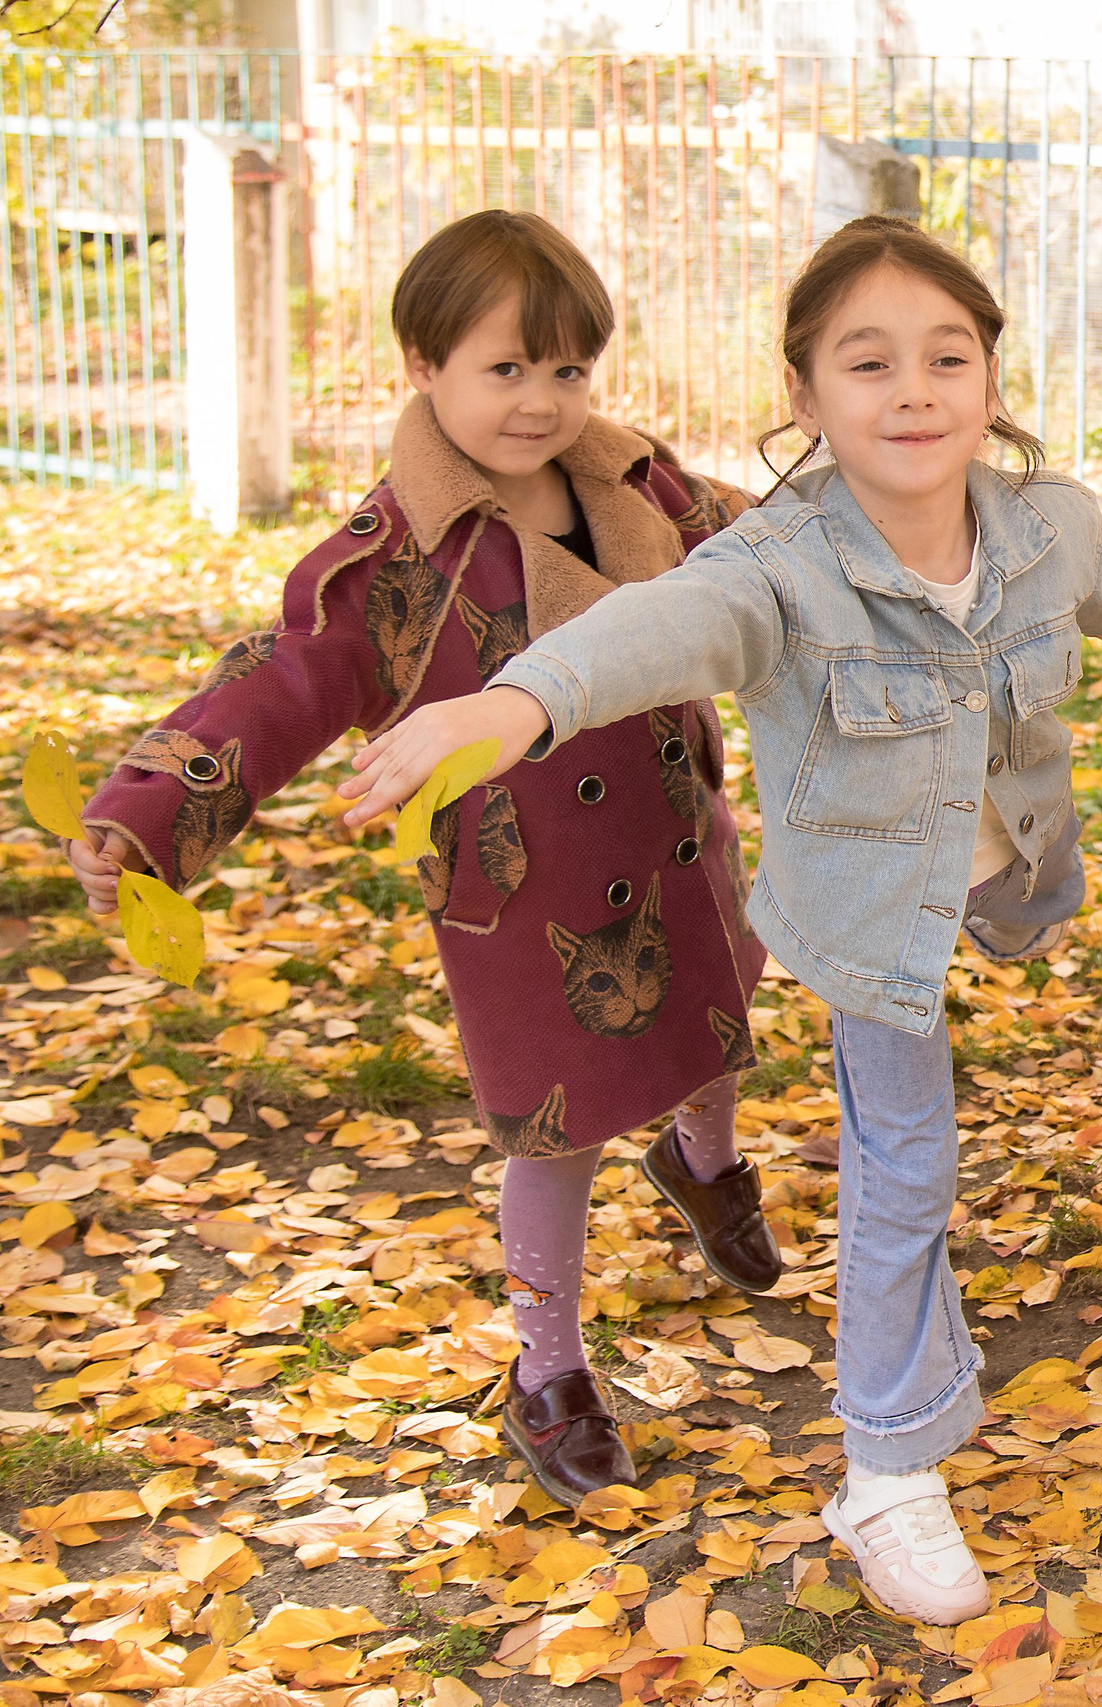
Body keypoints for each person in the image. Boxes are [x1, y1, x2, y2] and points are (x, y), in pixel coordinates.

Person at [337, 215, 1102, 1626]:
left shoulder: (1044, 525)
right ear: (806, 394)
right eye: (869, 362)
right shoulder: (779, 565)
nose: (913, 390)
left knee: (917, 1163)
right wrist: (505, 703)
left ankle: (879, 1366)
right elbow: (650, 630)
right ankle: (886, 1469)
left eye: (945, 356)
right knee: (907, 1163)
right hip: (862, 916)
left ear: (989, 375)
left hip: (1003, 875)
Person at [67, 209, 778, 1508]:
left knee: (727, 1004)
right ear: (423, 364)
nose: (542, 401)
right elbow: (281, 682)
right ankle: (546, 1368)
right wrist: (150, 811)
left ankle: (704, 1160)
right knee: (556, 1135)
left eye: (568, 370)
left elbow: (764, 543)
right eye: (506, 368)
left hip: (675, 837)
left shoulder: (635, 481)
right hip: (532, 900)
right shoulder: (397, 558)